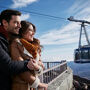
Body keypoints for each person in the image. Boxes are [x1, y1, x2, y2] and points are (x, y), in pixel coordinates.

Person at [0, 9, 41, 90]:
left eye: (19, 23)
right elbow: (9, 66)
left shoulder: (11, 38)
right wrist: (31, 62)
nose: (19, 26)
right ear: (5, 23)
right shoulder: (7, 41)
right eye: (16, 22)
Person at [10, 20, 48, 90]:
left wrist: (37, 67)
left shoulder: (34, 47)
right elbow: (20, 68)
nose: (33, 33)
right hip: (21, 86)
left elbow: (42, 67)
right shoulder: (16, 44)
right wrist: (38, 84)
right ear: (22, 31)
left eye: (33, 31)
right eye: (30, 30)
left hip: (32, 87)